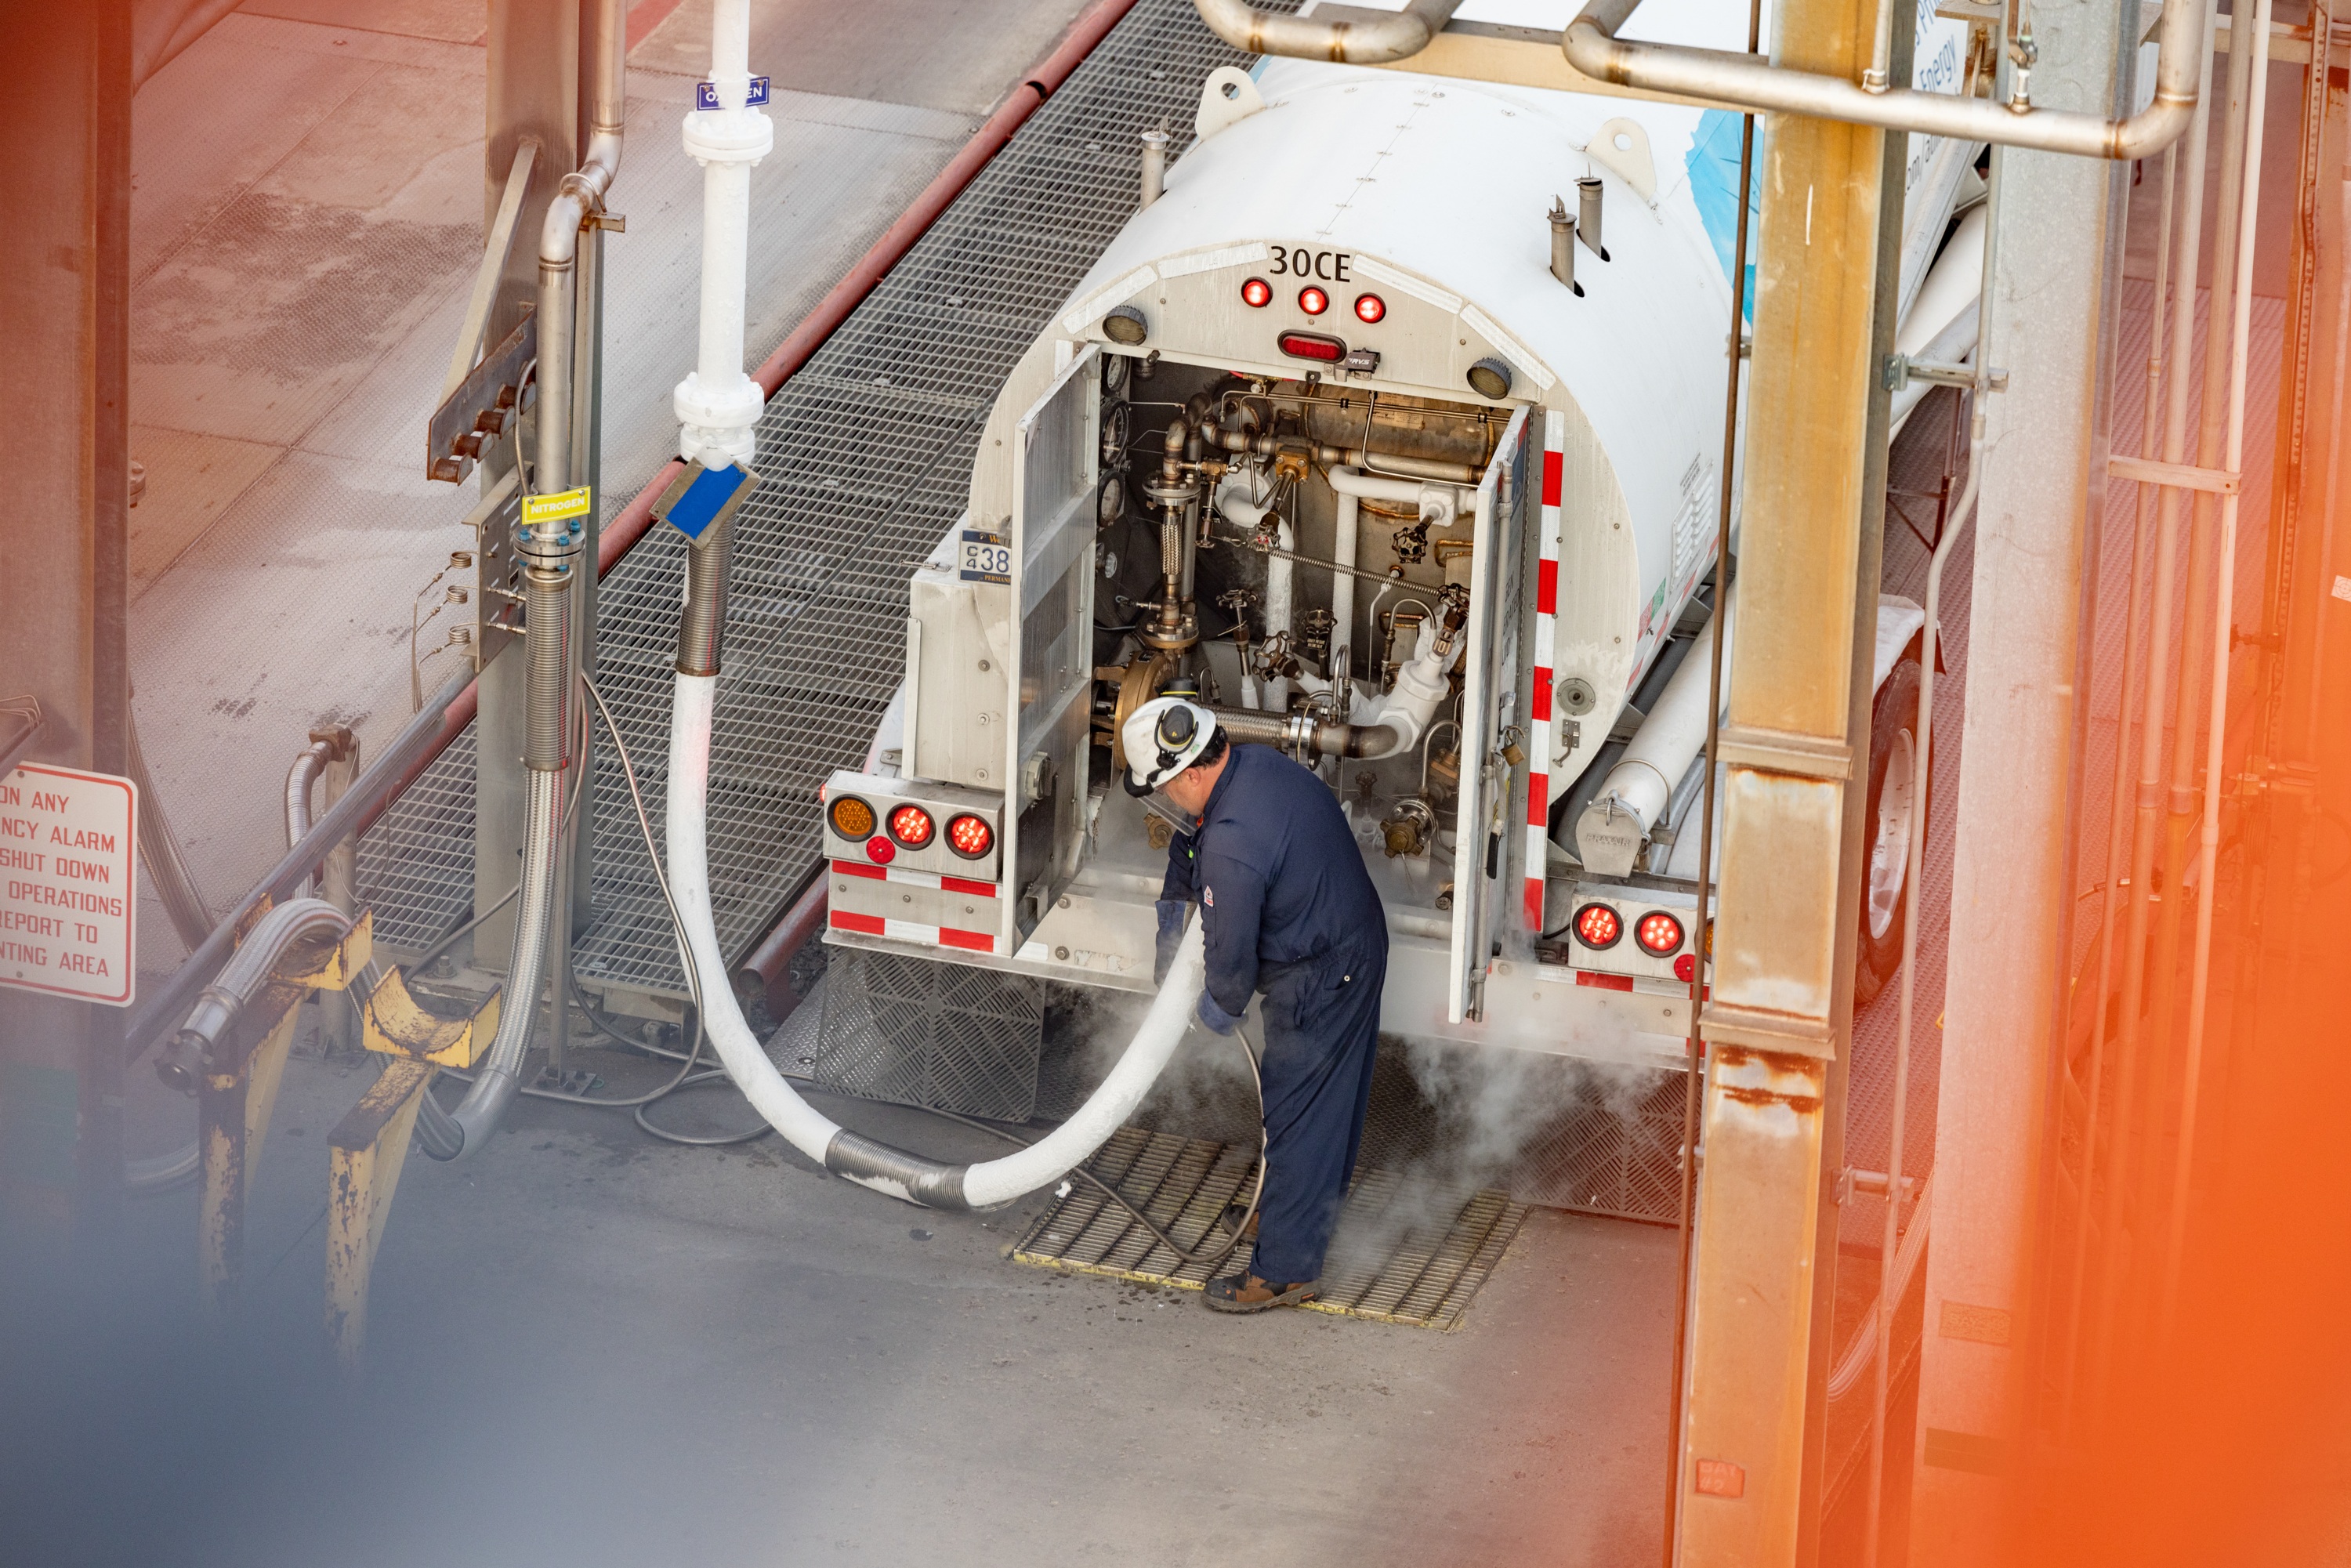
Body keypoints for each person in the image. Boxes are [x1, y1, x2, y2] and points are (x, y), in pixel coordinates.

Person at [1121, 696, 1389, 1313]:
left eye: (1165, 787)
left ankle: (1286, 1269)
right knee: (1324, 1105)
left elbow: (1232, 967)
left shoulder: (1234, 845)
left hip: (1323, 971)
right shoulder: (1254, 767)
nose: (1168, 802)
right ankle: (1297, 1211)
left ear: (1190, 772)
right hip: (1344, 942)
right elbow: (1192, 845)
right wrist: (1173, 913)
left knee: (1300, 1111)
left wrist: (1210, 1014)